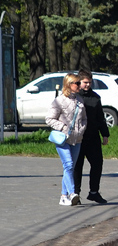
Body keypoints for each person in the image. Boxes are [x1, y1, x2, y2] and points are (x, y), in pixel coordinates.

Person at [46, 72, 87, 206]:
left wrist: (82, 129)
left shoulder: (80, 100)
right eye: (77, 83)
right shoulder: (59, 101)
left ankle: (63, 196)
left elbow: (84, 118)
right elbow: (49, 119)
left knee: (70, 167)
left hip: (77, 139)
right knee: (68, 165)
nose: (80, 85)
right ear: (69, 85)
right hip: (63, 138)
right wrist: (63, 127)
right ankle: (72, 193)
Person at [73, 69, 110, 204]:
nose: (87, 85)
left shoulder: (95, 97)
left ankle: (94, 192)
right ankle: (75, 194)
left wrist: (105, 134)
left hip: (93, 136)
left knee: (97, 163)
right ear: (79, 82)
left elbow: (100, 118)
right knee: (77, 166)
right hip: (78, 137)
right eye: (85, 82)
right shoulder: (75, 97)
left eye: (89, 82)